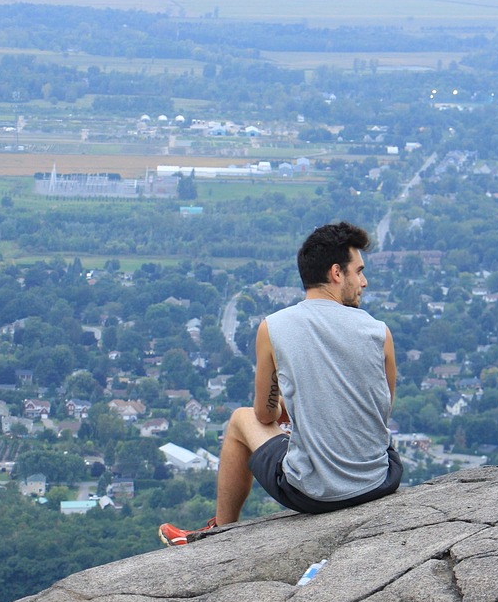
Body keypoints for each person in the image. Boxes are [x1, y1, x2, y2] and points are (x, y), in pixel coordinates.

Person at [158, 221, 401, 545]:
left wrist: (287, 408)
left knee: (239, 421)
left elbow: (264, 415)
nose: (364, 282)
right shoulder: (379, 331)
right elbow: (377, 409)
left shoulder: (273, 328)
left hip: (315, 493)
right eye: (359, 271)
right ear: (336, 273)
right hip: (380, 480)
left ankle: (219, 534)